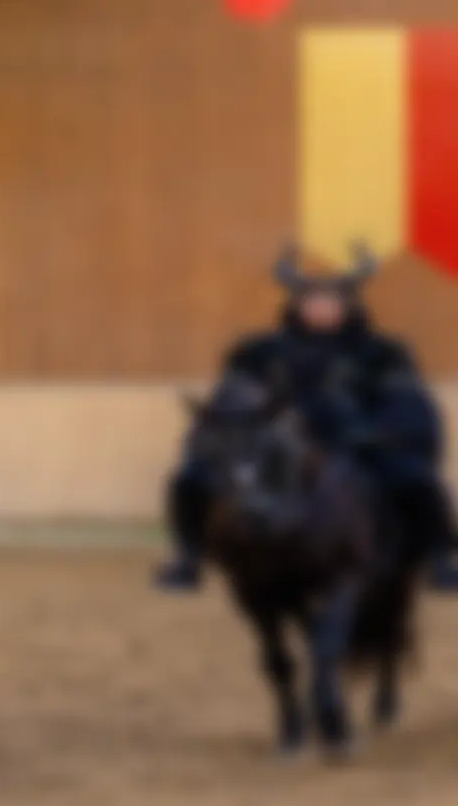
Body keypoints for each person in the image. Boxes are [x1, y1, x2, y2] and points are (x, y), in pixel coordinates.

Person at [157, 243, 458, 593]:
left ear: (349, 306)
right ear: (296, 305)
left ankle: (439, 560)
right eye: (313, 302)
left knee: (416, 480)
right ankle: (188, 560)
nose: (321, 309)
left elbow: (407, 403)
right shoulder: (258, 352)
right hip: (267, 450)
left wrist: (377, 432)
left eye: (331, 302)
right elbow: (230, 401)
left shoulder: (382, 352)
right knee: (191, 480)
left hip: (354, 446)